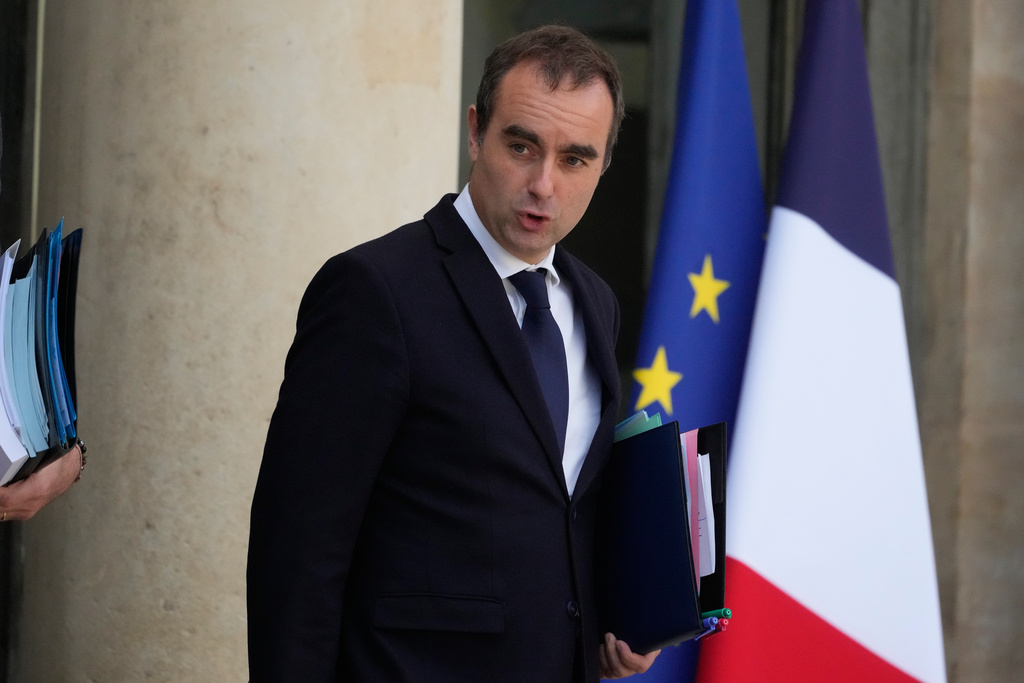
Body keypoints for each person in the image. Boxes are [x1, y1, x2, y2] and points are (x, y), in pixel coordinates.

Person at [247, 25, 659, 681]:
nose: (544, 184)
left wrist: (621, 616)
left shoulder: (595, 302)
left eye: (575, 158)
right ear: (475, 131)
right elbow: (297, 552)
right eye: (522, 146)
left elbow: (560, 511)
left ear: (604, 163)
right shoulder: (374, 291)